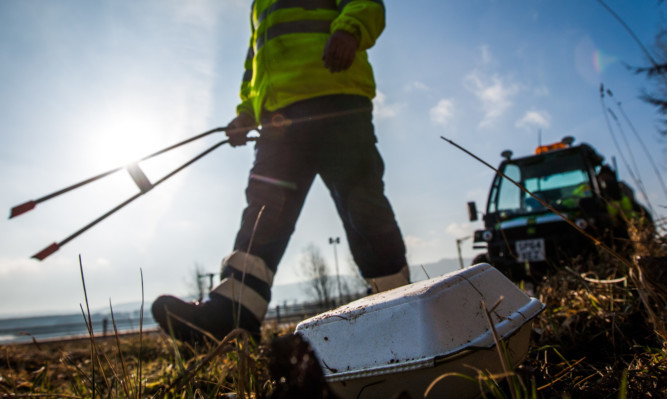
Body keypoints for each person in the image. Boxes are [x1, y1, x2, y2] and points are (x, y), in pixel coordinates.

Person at [151, 0, 409, 343]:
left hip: (337, 103)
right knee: (262, 214)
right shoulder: (260, 5)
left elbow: (368, 4)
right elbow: (255, 66)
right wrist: (245, 112)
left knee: (362, 204)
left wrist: (350, 28)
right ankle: (232, 316)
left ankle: (402, 306)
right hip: (277, 121)